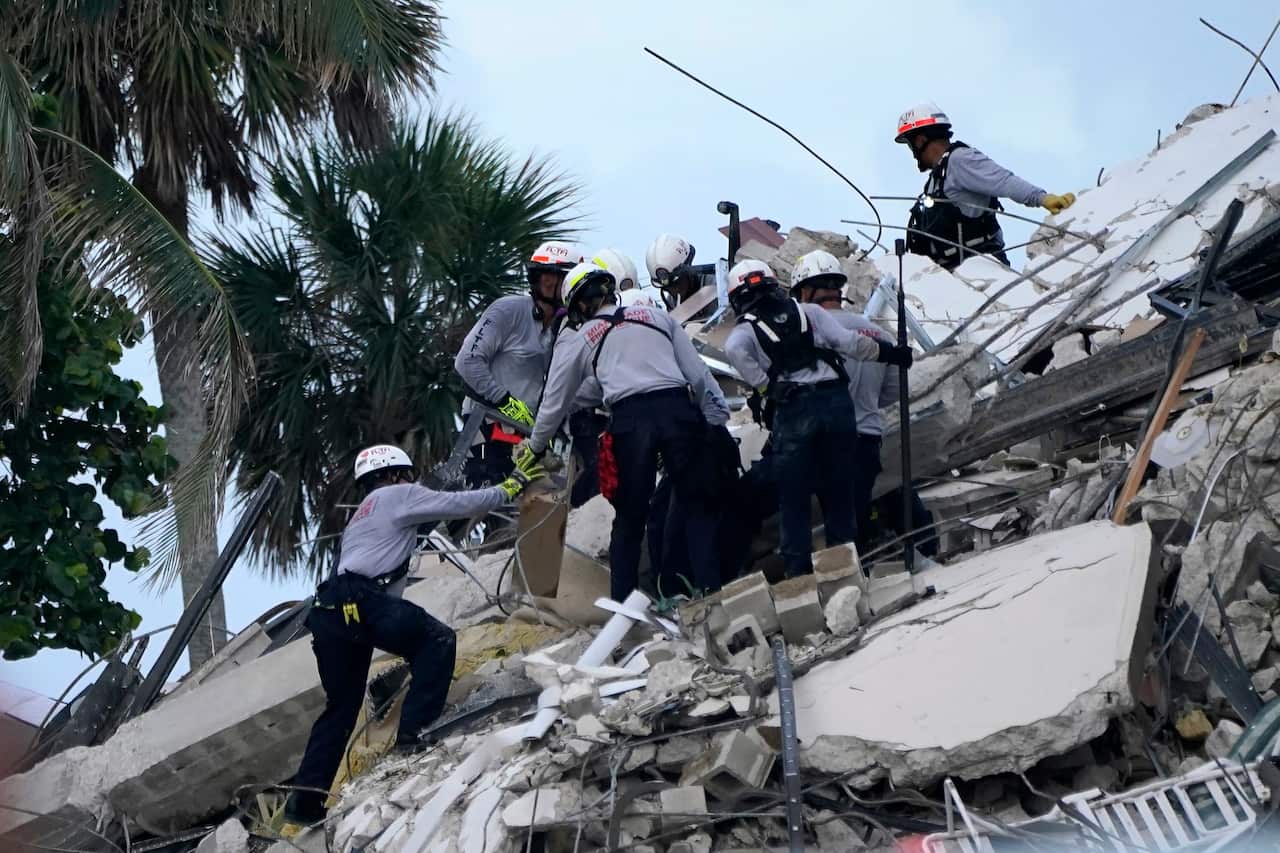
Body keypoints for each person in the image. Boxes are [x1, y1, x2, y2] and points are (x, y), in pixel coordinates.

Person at [284, 444, 545, 825]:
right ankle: (414, 736)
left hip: (328, 611)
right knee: (436, 640)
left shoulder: (361, 516)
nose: (413, 482)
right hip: (362, 600)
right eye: (408, 475)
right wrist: (512, 485)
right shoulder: (397, 494)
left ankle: (304, 805)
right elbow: (462, 505)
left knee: (340, 707)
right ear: (394, 474)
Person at [516, 261, 731, 602]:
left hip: (631, 421)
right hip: (678, 410)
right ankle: (712, 595)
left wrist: (537, 446)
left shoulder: (581, 337)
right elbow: (699, 376)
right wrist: (713, 422)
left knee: (630, 520)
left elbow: (554, 403)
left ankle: (623, 610)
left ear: (578, 306)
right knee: (696, 506)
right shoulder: (658, 319)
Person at [723, 259, 913, 577]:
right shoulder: (809, 313)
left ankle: (800, 586)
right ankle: (846, 578)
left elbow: (733, 350)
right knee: (839, 495)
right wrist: (892, 353)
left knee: (794, 502)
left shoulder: (745, 331)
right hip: (836, 407)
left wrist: (767, 384)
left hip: (795, 413)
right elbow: (850, 344)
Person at [790, 250, 899, 552]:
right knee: (858, 511)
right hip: (868, 438)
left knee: (837, 520)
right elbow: (889, 393)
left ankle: (850, 578)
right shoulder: (878, 333)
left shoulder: (810, 332)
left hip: (827, 441)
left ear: (805, 291)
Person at [454, 241, 580, 487]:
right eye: (544, 276)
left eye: (558, 277)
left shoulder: (563, 329)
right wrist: (505, 402)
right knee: (480, 501)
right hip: (488, 426)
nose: (549, 283)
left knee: (525, 514)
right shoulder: (508, 310)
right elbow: (466, 361)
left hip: (528, 436)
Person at [895, 103, 1076, 270]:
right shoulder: (936, 179)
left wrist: (1042, 198)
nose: (913, 154)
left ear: (920, 141)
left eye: (911, 146)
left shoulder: (960, 160)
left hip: (980, 273)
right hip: (953, 276)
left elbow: (1004, 181)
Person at [645, 233, 710, 313]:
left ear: (687, 269)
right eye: (667, 287)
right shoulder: (672, 302)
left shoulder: (714, 285)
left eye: (676, 282)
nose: (673, 291)